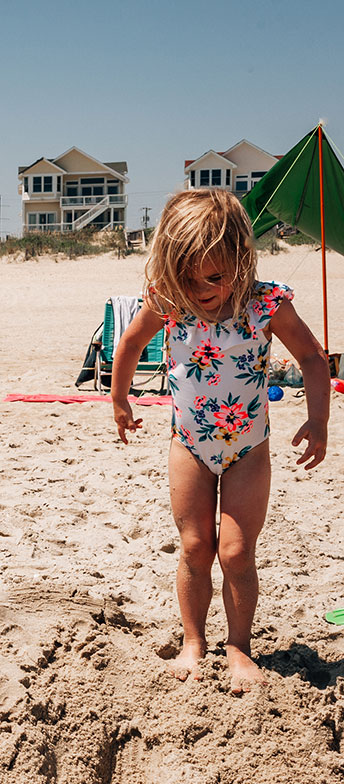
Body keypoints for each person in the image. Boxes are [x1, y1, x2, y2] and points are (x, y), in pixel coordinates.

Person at [112, 189, 328, 695]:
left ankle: (239, 646)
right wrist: (120, 399)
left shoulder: (266, 304)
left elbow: (314, 360)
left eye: (214, 276)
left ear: (240, 257)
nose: (201, 288)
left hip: (249, 448)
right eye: (188, 276)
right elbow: (129, 343)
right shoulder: (167, 301)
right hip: (189, 443)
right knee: (194, 547)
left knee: (235, 552)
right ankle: (193, 643)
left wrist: (318, 421)